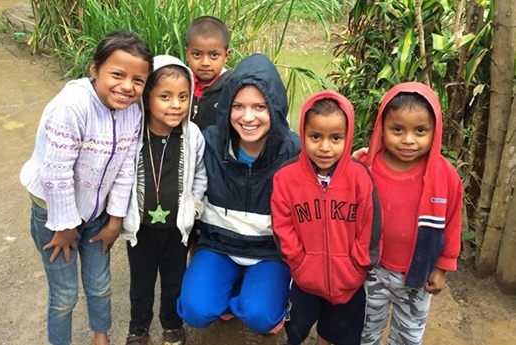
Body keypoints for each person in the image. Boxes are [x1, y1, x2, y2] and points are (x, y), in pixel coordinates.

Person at [20, 30, 153, 345]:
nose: (127, 86)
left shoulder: (133, 110)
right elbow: (56, 172)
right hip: (53, 212)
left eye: (138, 80)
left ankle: (100, 336)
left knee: (100, 284)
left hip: (97, 213)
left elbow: (124, 168)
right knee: (65, 294)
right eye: (117, 74)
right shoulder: (72, 106)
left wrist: (115, 219)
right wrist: (65, 227)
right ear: (94, 69)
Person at [176, 53, 301, 334]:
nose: (247, 117)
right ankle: (232, 289)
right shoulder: (208, 142)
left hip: (270, 252)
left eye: (260, 107)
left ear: (276, 107)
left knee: (261, 316)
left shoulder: (295, 152)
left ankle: (256, 293)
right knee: (195, 311)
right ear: (226, 107)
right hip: (219, 246)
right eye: (238, 106)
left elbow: (330, 175)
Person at [271, 91, 382, 345]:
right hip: (304, 281)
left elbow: (370, 225)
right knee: (295, 331)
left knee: (339, 334)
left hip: (348, 283)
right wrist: (298, 263)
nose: (324, 147)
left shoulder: (359, 177)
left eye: (335, 138)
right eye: (315, 137)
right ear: (302, 133)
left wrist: (357, 266)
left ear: (348, 136)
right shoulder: (285, 178)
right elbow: (282, 225)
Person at [360, 82, 463, 345]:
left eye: (420, 131)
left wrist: (442, 268)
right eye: (397, 129)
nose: (408, 140)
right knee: (364, 328)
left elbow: (451, 224)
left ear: (434, 131)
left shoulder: (446, 177)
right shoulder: (365, 168)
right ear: (381, 128)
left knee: (408, 335)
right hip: (372, 271)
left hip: (417, 275)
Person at [121, 55, 207, 345]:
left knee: (174, 280)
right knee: (141, 282)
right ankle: (138, 328)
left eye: (183, 96)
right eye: (165, 96)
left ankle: (172, 324)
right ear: (147, 98)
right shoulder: (133, 133)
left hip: (176, 228)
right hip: (141, 228)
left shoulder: (192, 135)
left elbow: (200, 175)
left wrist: (194, 207)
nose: (176, 105)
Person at [185, 15, 232, 130]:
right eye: (197, 54)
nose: (205, 63)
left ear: (227, 55)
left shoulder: (232, 87)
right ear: (187, 53)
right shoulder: (179, 82)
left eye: (214, 55)